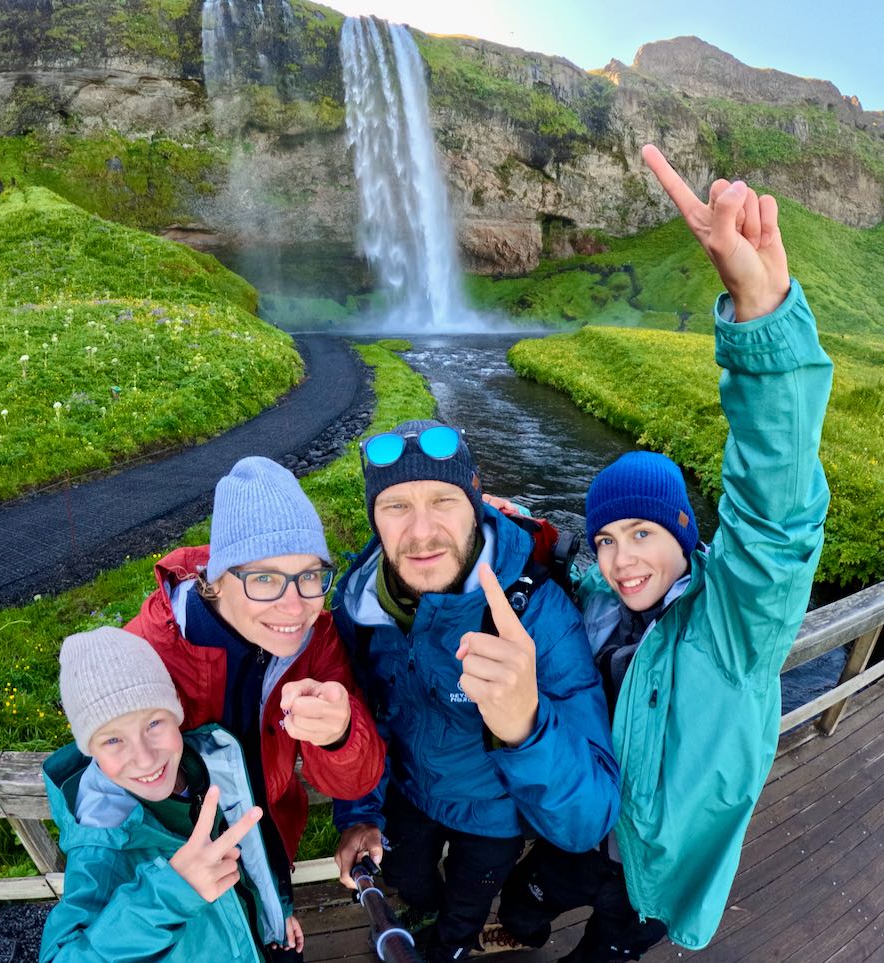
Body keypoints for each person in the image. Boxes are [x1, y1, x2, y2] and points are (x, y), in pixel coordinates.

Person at [486, 144, 833, 961]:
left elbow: (776, 520)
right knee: (529, 896)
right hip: (584, 827)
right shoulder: (599, 594)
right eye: (610, 539)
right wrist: (512, 524)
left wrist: (762, 322)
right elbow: (568, 564)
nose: (622, 559)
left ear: (684, 536)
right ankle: (519, 929)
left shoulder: (735, 627)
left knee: (606, 949)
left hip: (655, 869)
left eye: (643, 533)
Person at [329, 421, 622, 963]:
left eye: (443, 501)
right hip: (409, 797)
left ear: (475, 502)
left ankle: (451, 947)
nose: (421, 532)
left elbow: (587, 822)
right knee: (409, 880)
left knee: (465, 908)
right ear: (374, 517)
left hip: (494, 817)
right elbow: (360, 715)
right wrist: (359, 813)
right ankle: (424, 914)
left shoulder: (537, 612)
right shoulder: (358, 604)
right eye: (396, 506)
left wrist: (526, 727)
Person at [125, 456, 386, 962]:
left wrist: (340, 734)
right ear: (217, 579)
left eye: (310, 576)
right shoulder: (147, 652)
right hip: (174, 878)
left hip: (269, 854)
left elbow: (355, 780)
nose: (296, 606)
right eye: (265, 579)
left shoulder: (318, 641)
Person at [39, 626, 272, 962]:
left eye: (153, 724)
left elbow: (249, 860)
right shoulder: (103, 849)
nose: (146, 758)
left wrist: (274, 917)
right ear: (90, 750)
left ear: (175, 710)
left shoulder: (204, 764)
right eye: (113, 740)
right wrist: (171, 895)